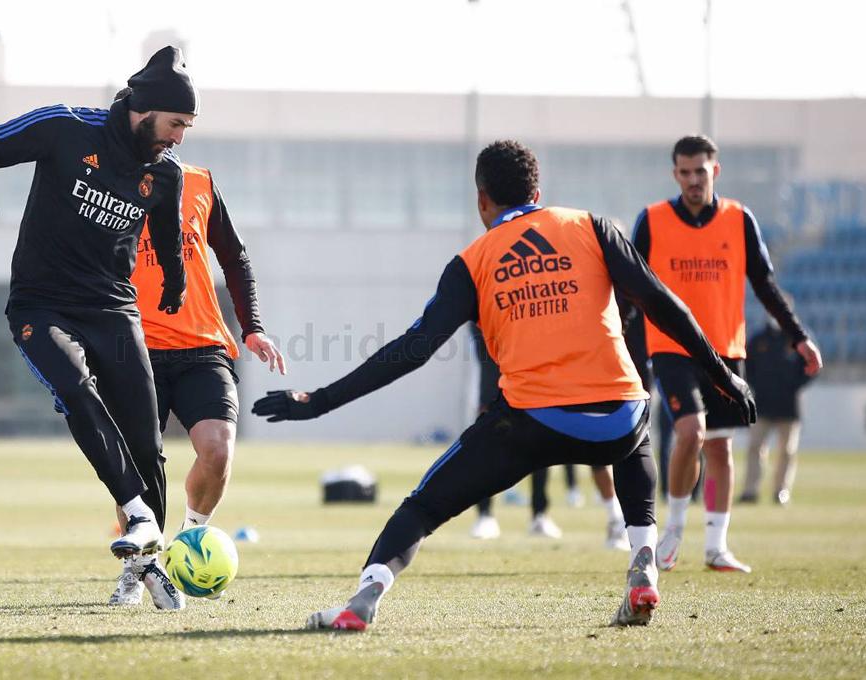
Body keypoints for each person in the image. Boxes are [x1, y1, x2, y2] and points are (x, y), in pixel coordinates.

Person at [253, 140, 755, 630]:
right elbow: (663, 304)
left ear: (482, 200)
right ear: (537, 192)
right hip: (617, 419)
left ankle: (364, 597)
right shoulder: (591, 226)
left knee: (422, 507)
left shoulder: (472, 260)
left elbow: (413, 349)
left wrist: (320, 401)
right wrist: (723, 375)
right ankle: (643, 561)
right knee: (634, 426)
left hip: (531, 421)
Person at [0, 46, 195, 609]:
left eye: (188, 126)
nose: (181, 137)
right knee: (76, 388)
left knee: (147, 441)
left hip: (113, 310)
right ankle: (136, 514)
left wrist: (175, 284)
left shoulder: (165, 173)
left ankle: (143, 566)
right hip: (41, 307)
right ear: (144, 111)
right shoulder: (65, 127)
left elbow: (165, 236)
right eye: (176, 123)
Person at [108, 86, 286, 605]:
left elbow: (235, 257)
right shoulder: (105, 186)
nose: (176, 137)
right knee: (138, 468)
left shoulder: (199, 182)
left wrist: (252, 327)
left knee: (218, 449)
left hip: (202, 346)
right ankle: (139, 568)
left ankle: (189, 539)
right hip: (133, 347)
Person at [629, 135, 822, 574]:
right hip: (672, 348)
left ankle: (716, 546)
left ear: (714, 170)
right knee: (690, 432)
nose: (693, 180)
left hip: (726, 352)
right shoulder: (652, 220)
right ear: (675, 174)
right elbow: (631, 291)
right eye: (685, 172)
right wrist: (626, 347)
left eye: (700, 171)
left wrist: (798, 336)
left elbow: (765, 285)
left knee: (720, 448)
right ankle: (674, 529)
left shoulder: (739, 219)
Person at [469, 326, 628, 548]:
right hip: (497, 347)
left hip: (534, 355)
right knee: (491, 434)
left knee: (539, 432)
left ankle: (539, 514)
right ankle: (485, 515)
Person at [739, 315, 816, 506]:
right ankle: (750, 491)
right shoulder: (758, 338)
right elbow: (746, 366)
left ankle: (781, 491)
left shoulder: (798, 338)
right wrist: (757, 386)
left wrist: (794, 385)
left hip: (789, 405)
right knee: (755, 446)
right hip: (762, 404)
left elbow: (812, 366)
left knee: (787, 450)